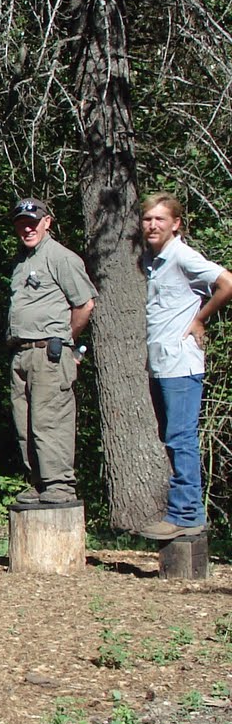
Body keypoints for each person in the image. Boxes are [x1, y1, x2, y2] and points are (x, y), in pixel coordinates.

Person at [138, 193, 232, 539]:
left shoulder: (182, 255)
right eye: (148, 219)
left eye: (160, 219)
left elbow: (227, 283)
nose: (152, 225)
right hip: (161, 364)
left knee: (181, 439)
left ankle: (186, 513)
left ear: (175, 224)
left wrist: (200, 320)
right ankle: (184, 512)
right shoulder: (154, 260)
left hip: (182, 364)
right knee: (171, 437)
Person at [6, 198, 96, 505]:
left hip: (49, 352)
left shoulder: (61, 257)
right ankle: (39, 481)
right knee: (25, 421)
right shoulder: (22, 261)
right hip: (21, 352)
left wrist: (66, 339)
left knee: (50, 420)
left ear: (47, 222)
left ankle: (59, 485)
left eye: (33, 221)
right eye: (22, 223)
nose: (27, 228)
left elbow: (84, 304)